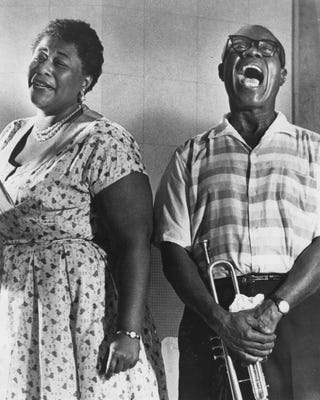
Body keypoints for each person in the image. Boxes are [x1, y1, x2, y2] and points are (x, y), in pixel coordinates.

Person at [0, 18, 168, 400]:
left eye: (60, 62)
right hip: (20, 313)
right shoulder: (12, 134)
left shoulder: (104, 139)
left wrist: (128, 331)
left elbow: (134, 241)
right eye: (40, 56)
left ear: (86, 81)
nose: (44, 68)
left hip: (81, 316)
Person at [154, 24, 320, 400]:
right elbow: (171, 249)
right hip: (212, 316)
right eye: (239, 47)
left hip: (299, 312)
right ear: (222, 70)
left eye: (267, 49)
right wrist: (221, 320)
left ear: (282, 74)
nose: (252, 53)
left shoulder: (316, 151)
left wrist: (275, 308)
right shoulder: (190, 155)